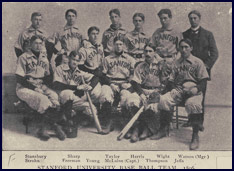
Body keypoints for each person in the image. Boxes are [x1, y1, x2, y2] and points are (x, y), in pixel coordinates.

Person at [155, 39, 209, 150]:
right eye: (181, 47)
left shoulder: (198, 62)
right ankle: (163, 129)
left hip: (193, 90)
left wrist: (197, 88)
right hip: (179, 90)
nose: (183, 50)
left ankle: (195, 135)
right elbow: (171, 81)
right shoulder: (176, 63)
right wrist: (167, 91)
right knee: (164, 99)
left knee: (193, 104)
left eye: (186, 47)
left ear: (191, 48)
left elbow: (203, 82)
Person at [15, 35, 65, 141]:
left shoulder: (44, 58)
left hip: (40, 85)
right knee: (43, 99)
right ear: (30, 44)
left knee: (54, 96)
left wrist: (48, 86)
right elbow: (19, 78)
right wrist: (34, 88)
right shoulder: (23, 57)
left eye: (40, 43)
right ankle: (42, 129)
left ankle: (54, 125)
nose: (38, 46)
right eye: (36, 43)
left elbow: (46, 76)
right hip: (24, 87)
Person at [53, 50, 102, 137]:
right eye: (73, 59)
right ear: (68, 59)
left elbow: (95, 78)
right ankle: (67, 124)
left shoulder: (79, 72)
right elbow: (56, 85)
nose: (75, 62)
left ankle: (73, 119)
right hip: (61, 97)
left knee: (92, 110)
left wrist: (90, 86)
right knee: (68, 94)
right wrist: (76, 87)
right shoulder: (60, 68)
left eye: (77, 60)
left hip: (73, 100)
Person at [125, 43, 166, 143]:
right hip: (143, 90)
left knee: (151, 107)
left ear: (155, 53)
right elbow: (135, 82)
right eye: (146, 51)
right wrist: (141, 94)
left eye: (150, 51)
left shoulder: (161, 65)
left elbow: (166, 82)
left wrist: (158, 93)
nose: (147, 53)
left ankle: (147, 129)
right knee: (131, 100)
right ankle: (136, 128)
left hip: (156, 91)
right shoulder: (140, 66)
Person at [99, 36, 136, 134]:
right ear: (113, 45)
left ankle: (126, 125)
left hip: (124, 83)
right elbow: (103, 75)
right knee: (105, 93)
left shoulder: (130, 59)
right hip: (111, 82)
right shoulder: (107, 59)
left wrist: (129, 83)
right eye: (116, 44)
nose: (119, 46)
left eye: (120, 44)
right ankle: (108, 123)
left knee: (126, 97)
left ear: (124, 46)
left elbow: (134, 74)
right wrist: (110, 84)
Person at [183, 10, 219, 81]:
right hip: (188, 70)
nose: (193, 20)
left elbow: (214, 53)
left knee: (201, 91)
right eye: (191, 18)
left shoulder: (208, 34)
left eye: (195, 18)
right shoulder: (184, 35)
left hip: (203, 70)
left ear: (199, 19)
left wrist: (206, 65)